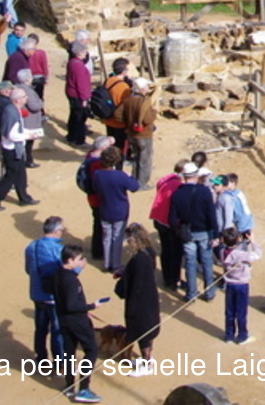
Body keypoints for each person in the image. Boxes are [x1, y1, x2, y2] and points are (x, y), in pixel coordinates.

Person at [54, 244, 107, 403]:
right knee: (91, 351)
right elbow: (71, 305)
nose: (81, 261)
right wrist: (91, 306)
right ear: (70, 260)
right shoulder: (71, 280)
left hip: (64, 320)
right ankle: (84, 388)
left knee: (69, 353)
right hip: (77, 321)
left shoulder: (57, 274)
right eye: (78, 259)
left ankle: (69, 386)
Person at [114, 223, 160, 375]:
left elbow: (136, 284)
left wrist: (131, 305)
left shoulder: (138, 259)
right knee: (148, 331)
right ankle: (148, 358)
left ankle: (146, 364)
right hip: (150, 297)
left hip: (140, 301)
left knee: (142, 333)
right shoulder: (150, 252)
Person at [170, 162, 219, 302]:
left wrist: (178, 231)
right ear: (196, 175)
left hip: (187, 233)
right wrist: (215, 234)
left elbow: (172, 219)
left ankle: (191, 294)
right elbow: (211, 214)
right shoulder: (204, 192)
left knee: (190, 263)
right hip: (204, 232)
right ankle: (209, 292)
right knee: (207, 262)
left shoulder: (177, 194)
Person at [0, 88, 42, 209]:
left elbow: (17, 130)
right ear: (17, 100)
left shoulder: (13, 110)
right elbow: (11, 135)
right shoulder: (12, 113)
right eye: (24, 97)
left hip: (15, 149)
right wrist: (28, 136)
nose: (26, 98)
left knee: (20, 174)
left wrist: (29, 133)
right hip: (12, 150)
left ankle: (24, 198)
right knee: (10, 177)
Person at [25, 216, 65, 365]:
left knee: (40, 328)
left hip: (37, 293)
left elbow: (28, 269)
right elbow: (67, 273)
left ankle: (41, 358)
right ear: (56, 231)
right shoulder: (59, 249)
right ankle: (59, 363)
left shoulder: (31, 246)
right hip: (53, 296)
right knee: (57, 330)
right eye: (61, 229)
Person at [91, 144, 139, 271]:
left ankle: (107, 264)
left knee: (106, 237)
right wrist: (129, 176)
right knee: (117, 238)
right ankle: (116, 264)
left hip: (105, 209)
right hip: (119, 211)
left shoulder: (97, 174)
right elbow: (135, 187)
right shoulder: (120, 175)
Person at [150, 161, 187, 291]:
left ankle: (167, 278)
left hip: (159, 219)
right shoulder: (179, 186)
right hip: (170, 222)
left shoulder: (164, 180)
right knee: (175, 252)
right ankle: (175, 280)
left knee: (165, 250)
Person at [220, 227, 262, 344]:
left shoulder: (222, 252)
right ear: (238, 239)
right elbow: (258, 254)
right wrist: (252, 241)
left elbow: (232, 251)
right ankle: (242, 336)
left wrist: (243, 242)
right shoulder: (241, 255)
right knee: (241, 312)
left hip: (230, 284)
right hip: (242, 284)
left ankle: (229, 335)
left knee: (230, 311)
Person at [81, 136, 115, 263]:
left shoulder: (91, 155)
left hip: (93, 197)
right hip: (99, 199)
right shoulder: (97, 164)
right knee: (100, 226)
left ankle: (99, 250)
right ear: (103, 148)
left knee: (98, 224)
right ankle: (98, 251)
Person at [122, 78, 158, 186]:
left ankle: (135, 179)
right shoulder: (144, 102)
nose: (147, 88)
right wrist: (154, 112)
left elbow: (118, 115)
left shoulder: (127, 100)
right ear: (141, 89)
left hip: (131, 133)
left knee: (136, 158)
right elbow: (147, 120)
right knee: (144, 160)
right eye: (146, 87)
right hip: (144, 135)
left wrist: (129, 122)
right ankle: (142, 183)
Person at [99, 58, 134, 151]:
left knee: (112, 142)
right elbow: (128, 105)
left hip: (108, 117)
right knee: (121, 146)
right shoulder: (124, 87)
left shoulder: (109, 80)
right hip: (119, 122)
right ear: (124, 71)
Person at [15, 68, 45, 168]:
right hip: (29, 120)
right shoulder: (27, 91)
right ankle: (28, 160)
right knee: (28, 143)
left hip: (24, 119)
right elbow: (34, 106)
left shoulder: (17, 87)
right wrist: (41, 103)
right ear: (27, 79)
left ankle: (25, 159)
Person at [65, 42, 92, 146]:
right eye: (84, 51)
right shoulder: (78, 65)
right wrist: (84, 98)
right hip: (78, 95)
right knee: (80, 118)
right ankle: (79, 140)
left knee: (74, 116)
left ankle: (71, 137)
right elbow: (81, 84)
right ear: (79, 53)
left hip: (72, 93)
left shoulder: (72, 62)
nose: (86, 53)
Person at [27, 31, 50, 103]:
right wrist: (46, 77)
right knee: (39, 96)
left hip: (29, 76)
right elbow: (45, 66)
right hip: (40, 77)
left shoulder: (26, 53)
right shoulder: (41, 53)